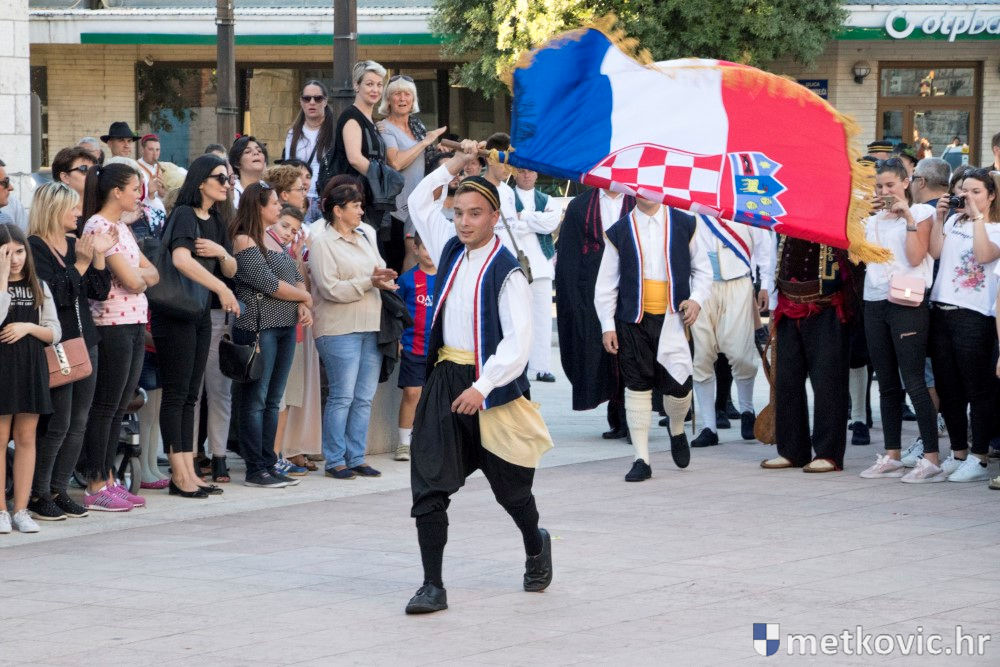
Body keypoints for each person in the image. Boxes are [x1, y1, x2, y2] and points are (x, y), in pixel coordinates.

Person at [404, 140, 552, 615]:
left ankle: (535, 542)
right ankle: (432, 585)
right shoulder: (449, 248)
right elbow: (416, 201)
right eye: (458, 213)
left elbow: (518, 342)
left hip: (491, 387)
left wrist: (482, 387)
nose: (464, 222)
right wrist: (452, 164)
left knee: (512, 490)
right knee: (429, 484)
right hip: (446, 379)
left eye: (474, 214)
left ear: (493, 217)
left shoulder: (507, 271)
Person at [594, 192, 710, 481]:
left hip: (674, 318)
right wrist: (607, 325)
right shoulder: (619, 231)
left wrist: (696, 299)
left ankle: (677, 427)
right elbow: (606, 283)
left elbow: (703, 271)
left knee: (679, 385)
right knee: (637, 385)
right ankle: (641, 458)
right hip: (633, 320)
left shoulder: (685, 223)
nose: (647, 192)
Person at [151, 154, 240, 498]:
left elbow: (231, 270)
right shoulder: (185, 215)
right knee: (177, 394)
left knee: (191, 394)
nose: (227, 183)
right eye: (221, 177)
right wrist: (220, 289)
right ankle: (179, 474)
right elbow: (181, 259)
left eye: (229, 178)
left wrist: (221, 252)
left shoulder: (216, 219)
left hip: (201, 311)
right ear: (201, 182)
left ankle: (189, 470)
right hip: (175, 312)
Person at [27, 183, 113, 520]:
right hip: (56, 344)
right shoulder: (35, 247)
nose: (79, 213)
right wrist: (81, 263)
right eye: (73, 207)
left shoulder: (77, 244)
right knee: (58, 423)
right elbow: (57, 295)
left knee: (79, 422)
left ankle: (59, 489)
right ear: (54, 209)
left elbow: (99, 291)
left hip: (85, 342)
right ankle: (39, 493)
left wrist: (99, 256)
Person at [79, 163, 159, 511]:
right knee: (106, 404)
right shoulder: (98, 225)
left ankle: (110, 477)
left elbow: (151, 273)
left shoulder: (122, 227)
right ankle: (95, 482)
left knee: (120, 405)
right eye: (134, 188)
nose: (139, 195)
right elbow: (131, 279)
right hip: (111, 323)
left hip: (135, 321)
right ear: (116, 191)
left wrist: (140, 278)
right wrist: (139, 278)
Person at [856, 159, 940, 482]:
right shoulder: (872, 219)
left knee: (914, 380)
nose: (884, 191)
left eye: (890, 185)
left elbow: (916, 257)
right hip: (875, 301)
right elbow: (858, 256)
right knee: (887, 383)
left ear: (906, 182)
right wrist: (861, 214)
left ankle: (931, 457)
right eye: (879, 186)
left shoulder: (922, 213)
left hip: (908, 302)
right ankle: (892, 454)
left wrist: (906, 216)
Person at [309, 183, 395, 479]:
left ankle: (356, 456)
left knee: (363, 397)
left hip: (372, 325)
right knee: (342, 396)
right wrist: (369, 282)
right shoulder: (322, 242)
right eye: (355, 206)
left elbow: (378, 270)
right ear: (338, 210)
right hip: (338, 328)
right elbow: (330, 288)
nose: (361, 211)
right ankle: (335, 460)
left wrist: (384, 279)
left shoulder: (365, 236)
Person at [230, 182, 312, 488]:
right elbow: (268, 284)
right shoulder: (244, 239)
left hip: (285, 326)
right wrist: (304, 297)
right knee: (256, 399)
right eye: (274, 203)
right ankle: (255, 468)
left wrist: (302, 300)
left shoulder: (272, 238)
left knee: (273, 398)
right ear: (258, 206)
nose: (279, 207)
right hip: (259, 326)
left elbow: (295, 276)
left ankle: (269, 461)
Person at [760, 238, 856, 473]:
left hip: (826, 308)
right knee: (787, 381)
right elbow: (774, 260)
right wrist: (774, 308)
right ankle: (791, 450)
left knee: (827, 382)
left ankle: (828, 453)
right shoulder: (785, 220)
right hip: (788, 306)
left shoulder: (839, 219)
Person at [929, 168, 1000, 483]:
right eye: (963, 190)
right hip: (941, 309)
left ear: (991, 196)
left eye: (976, 192)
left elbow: (984, 255)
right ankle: (958, 452)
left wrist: (978, 218)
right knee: (948, 388)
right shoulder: (953, 221)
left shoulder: (995, 227)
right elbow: (934, 252)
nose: (967, 197)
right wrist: (939, 217)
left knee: (977, 388)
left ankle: (979, 456)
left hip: (975, 315)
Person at [554, 187, 635, 440]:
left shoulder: (638, 201)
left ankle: (632, 418)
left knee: (633, 352)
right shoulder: (580, 206)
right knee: (604, 355)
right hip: (590, 291)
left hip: (632, 289)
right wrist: (572, 299)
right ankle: (617, 416)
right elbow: (568, 257)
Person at [689, 216, 773, 447]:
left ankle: (747, 410)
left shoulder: (743, 202)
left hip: (738, 284)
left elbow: (764, 248)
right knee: (702, 358)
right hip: (700, 288)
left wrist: (765, 284)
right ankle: (709, 426)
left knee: (740, 354)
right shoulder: (690, 204)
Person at [0, 225, 61, 534]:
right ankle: (1, 510)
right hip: (2, 367)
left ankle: (21, 510)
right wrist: (2, 280)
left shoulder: (39, 285)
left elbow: (54, 332)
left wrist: (27, 328)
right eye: (6, 253)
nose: (14, 260)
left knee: (26, 438)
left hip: (30, 368)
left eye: (19, 251)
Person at [268, 205, 321, 473]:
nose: (289, 233)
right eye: (284, 226)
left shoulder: (290, 255)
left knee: (287, 399)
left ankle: (277, 454)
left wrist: (298, 257)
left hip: (294, 333)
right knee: (273, 399)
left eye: (295, 230)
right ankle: (269, 456)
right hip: (272, 330)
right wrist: (302, 297)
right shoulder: (263, 251)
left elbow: (306, 294)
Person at [378, 73, 447, 272]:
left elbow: (421, 160)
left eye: (407, 94)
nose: (402, 99)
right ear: (388, 99)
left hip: (418, 202)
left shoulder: (417, 126)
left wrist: (436, 151)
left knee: (417, 255)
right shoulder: (384, 127)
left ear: (413, 99)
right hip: (396, 209)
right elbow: (396, 162)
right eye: (397, 94)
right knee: (399, 260)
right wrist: (426, 142)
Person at [324, 60, 388, 233]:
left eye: (379, 85)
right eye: (369, 84)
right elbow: (355, 159)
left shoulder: (371, 121)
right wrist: (385, 177)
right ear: (356, 85)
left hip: (370, 200)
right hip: (352, 201)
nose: (375, 90)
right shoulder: (351, 117)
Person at [511, 167, 561, 382]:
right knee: (515, 319)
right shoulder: (506, 197)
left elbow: (551, 224)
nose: (526, 175)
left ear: (537, 174)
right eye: (522, 171)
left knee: (541, 319)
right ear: (514, 173)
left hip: (541, 266)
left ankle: (541, 367)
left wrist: (523, 217)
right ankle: (516, 367)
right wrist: (534, 223)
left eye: (530, 172)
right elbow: (509, 226)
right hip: (514, 266)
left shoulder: (548, 199)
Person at [395, 233, 436, 462]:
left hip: (440, 350)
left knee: (435, 398)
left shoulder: (447, 278)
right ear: (416, 249)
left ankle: (429, 442)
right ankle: (403, 443)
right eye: (425, 248)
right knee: (412, 394)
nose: (429, 253)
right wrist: (398, 340)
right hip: (414, 347)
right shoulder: (407, 280)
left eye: (433, 247)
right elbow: (396, 313)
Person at [284, 80, 336, 217]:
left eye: (317, 98)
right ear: (301, 102)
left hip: (326, 199)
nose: (312, 102)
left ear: (325, 101)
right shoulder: (293, 134)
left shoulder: (335, 132)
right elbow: (288, 168)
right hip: (300, 199)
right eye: (307, 98)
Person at [229, 135, 268, 208]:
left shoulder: (269, 190)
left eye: (259, 151)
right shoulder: (231, 191)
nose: (256, 153)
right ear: (237, 163)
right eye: (247, 152)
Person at [136, 134, 167, 217]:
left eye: (157, 150)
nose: (155, 154)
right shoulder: (136, 168)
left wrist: (162, 192)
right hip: (142, 213)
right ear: (142, 150)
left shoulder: (159, 168)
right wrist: (150, 192)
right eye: (151, 149)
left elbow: (162, 195)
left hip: (159, 211)